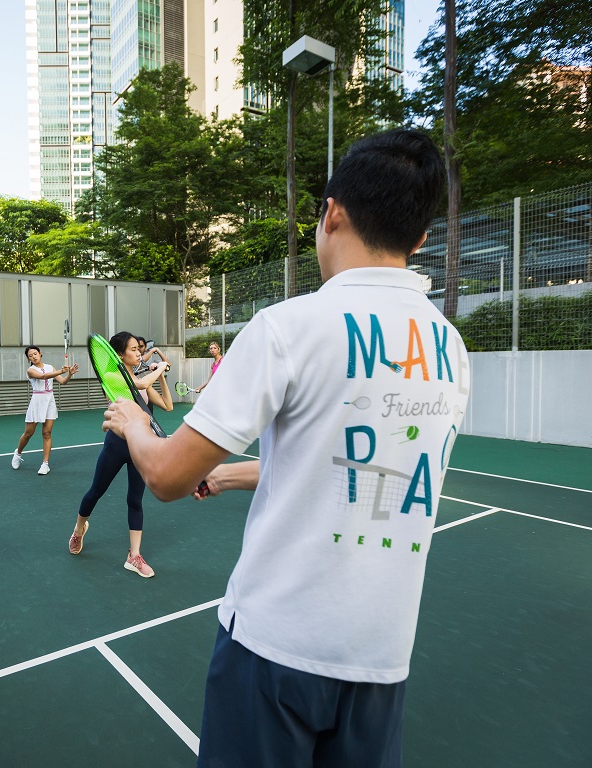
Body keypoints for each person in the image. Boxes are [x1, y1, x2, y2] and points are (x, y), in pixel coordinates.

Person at [102, 130, 471, 764]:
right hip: (381, 657)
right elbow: (350, 468)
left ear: (331, 213)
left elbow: (163, 476)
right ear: (419, 240)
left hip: (274, 647)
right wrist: (226, 477)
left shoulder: (290, 326)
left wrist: (135, 425)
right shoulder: (451, 349)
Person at [68, 331, 173, 578]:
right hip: (117, 444)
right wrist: (160, 368)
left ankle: (133, 556)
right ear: (119, 354)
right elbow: (141, 384)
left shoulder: (139, 378)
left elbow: (167, 405)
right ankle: (79, 528)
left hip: (141, 445)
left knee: (135, 500)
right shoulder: (112, 375)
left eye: (140, 349)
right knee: (95, 492)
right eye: (134, 349)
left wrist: (163, 376)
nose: (139, 353)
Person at [11, 345, 78, 475]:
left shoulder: (50, 367)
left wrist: (68, 374)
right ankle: (18, 453)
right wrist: (60, 370)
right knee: (28, 433)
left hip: (50, 401)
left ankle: (45, 464)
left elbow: (63, 382)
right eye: (30, 356)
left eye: (35, 353)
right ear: (28, 358)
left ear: (40, 353)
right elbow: (44, 377)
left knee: (46, 433)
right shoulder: (31, 370)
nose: (33, 357)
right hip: (37, 401)